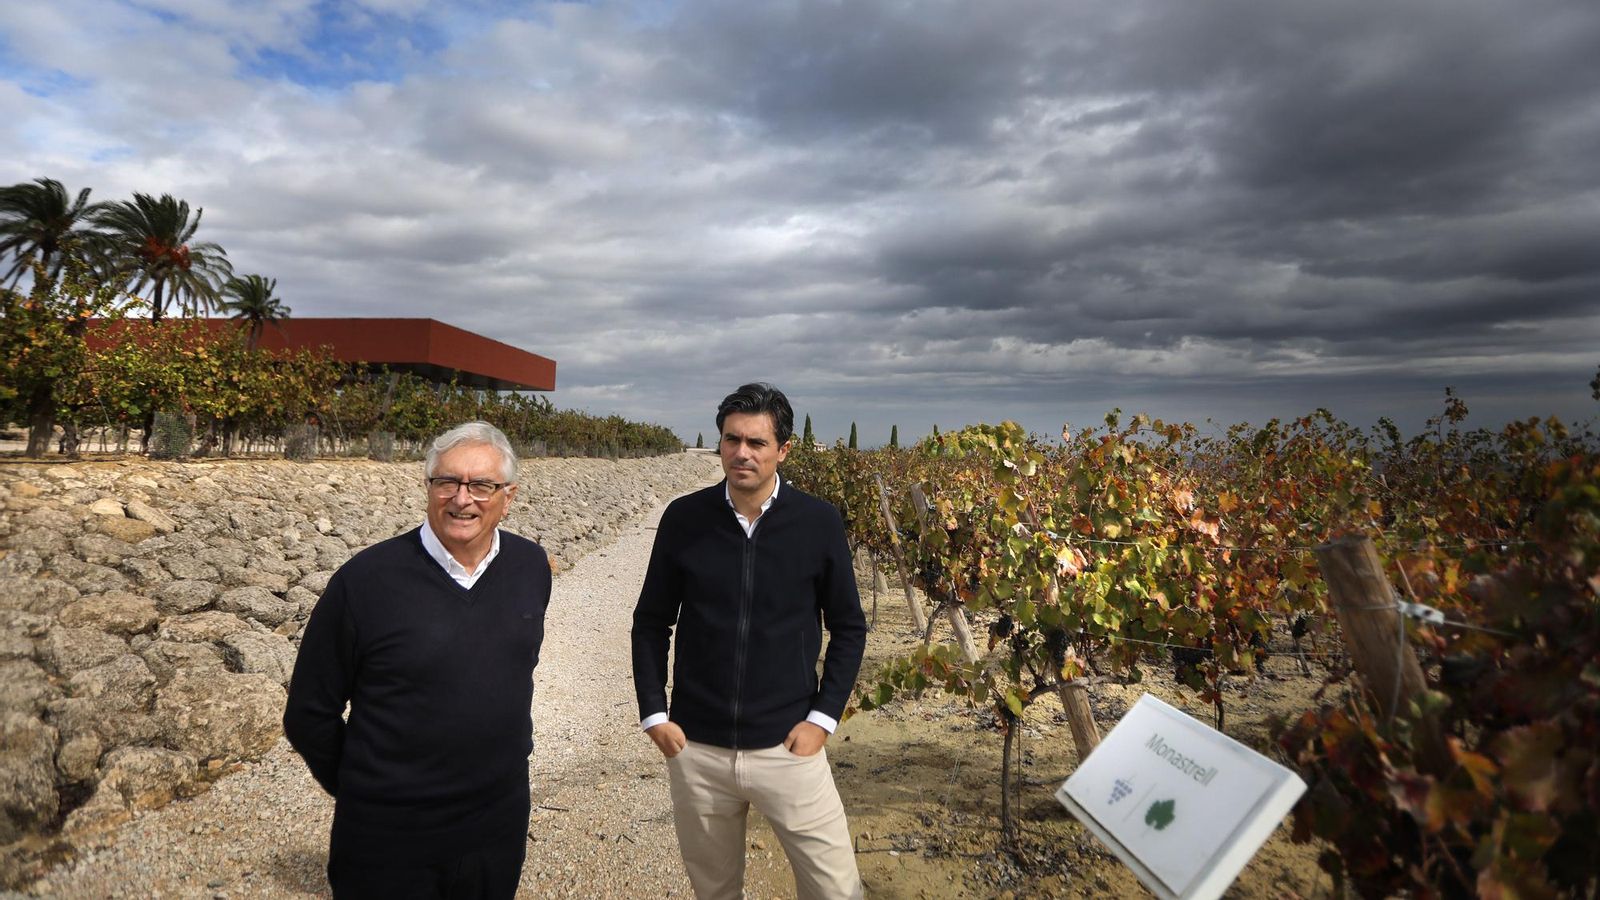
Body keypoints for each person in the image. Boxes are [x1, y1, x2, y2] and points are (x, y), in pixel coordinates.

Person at [284, 421, 551, 900]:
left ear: (508, 497)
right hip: (389, 837)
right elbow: (309, 713)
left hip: (498, 824)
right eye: (446, 481)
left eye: (481, 486)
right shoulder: (365, 581)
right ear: (428, 487)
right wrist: (367, 791)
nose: (461, 499)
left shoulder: (531, 567)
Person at [632, 383, 868, 899]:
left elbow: (849, 626)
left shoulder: (818, 523)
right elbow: (651, 621)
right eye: (732, 439)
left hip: (789, 748)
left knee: (836, 890)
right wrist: (655, 714)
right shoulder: (684, 519)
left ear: (783, 450)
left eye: (757, 443)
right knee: (714, 891)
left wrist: (822, 719)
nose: (742, 453)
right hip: (697, 751)